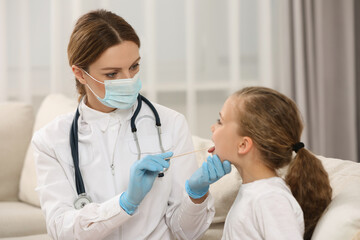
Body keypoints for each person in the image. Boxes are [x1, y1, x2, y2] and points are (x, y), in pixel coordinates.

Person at [32, 9, 231, 240]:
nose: (128, 80)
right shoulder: (51, 140)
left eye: (134, 66)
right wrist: (125, 203)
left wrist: (197, 195)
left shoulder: (170, 124)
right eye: (112, 73)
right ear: (80, 73)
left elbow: (185, 233)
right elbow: (61, 230)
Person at [209, 87, 332, 240]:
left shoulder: (270, 199)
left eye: (220, 121)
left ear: (243, 145)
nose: (212, 128)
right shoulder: (256, 193)